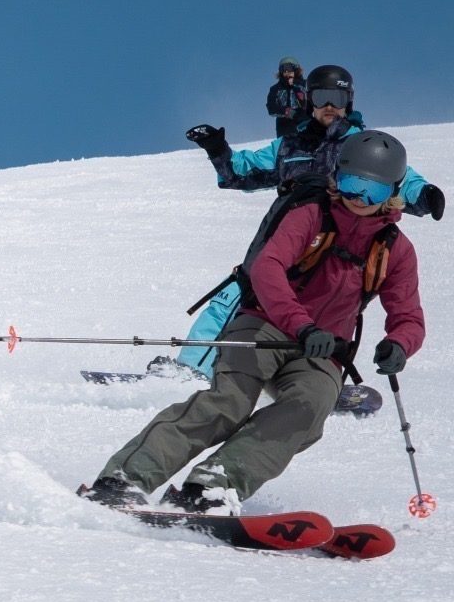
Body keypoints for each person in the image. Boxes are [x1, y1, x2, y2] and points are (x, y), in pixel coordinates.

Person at [83, 130, 425, 514]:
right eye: (350, 184)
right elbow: (267, 268)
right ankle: (124, 478)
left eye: (373, 191)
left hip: (323, 350)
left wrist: (399, 345)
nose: (359, 198)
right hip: (265, 323)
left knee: (308, 410)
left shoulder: (396, 250)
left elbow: (408, 316)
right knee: (229, 402)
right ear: (336, 177)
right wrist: (301, 324)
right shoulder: (310, 215)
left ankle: (212, 486)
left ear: (393, 193)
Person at [165, 65, 440, 380]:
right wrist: (219, 151)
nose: (330, 106)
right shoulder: (290, 145)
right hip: (284, 233)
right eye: (322, 97)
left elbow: (395, 177)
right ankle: (190, 371)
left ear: (349, 101)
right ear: (309, 100)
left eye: (337, 98)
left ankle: (306, 381)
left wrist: (425, 195)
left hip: (331, 243)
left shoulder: (361, 146)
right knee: (240, 294)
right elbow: (243, 172)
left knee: (321, 306)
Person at [266, 57, 308, 139]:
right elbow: (271, 108)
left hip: (305, 125)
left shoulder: (305, 84)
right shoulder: (276, 89)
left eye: (289, 69)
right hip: (285, 128)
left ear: (296, 69)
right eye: (283, 70)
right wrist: (287, 112)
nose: (286, 72)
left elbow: (309, 101)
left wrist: (295, 85)